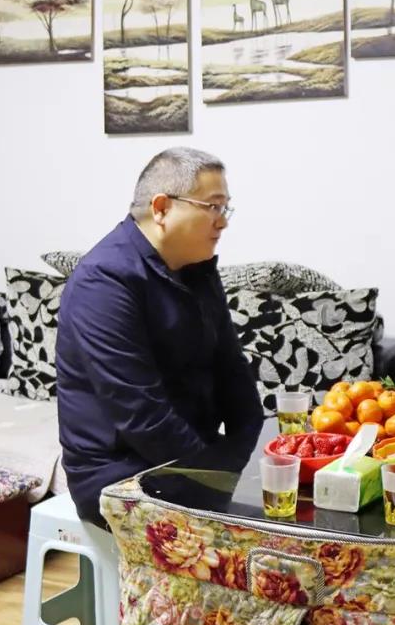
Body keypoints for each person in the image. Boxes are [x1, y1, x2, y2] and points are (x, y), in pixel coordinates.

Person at [56, 147, 264, 526]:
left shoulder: (197, 269)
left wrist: (243, 456)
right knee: (267, 531)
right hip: (121, 473)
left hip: (189, 457)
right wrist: (217, 477)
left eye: (225, 208)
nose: (222, 222)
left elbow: (233, 372)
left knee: (296, 493)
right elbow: (142, 415)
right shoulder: (104, 282)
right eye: (213, 207)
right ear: (162, 208)